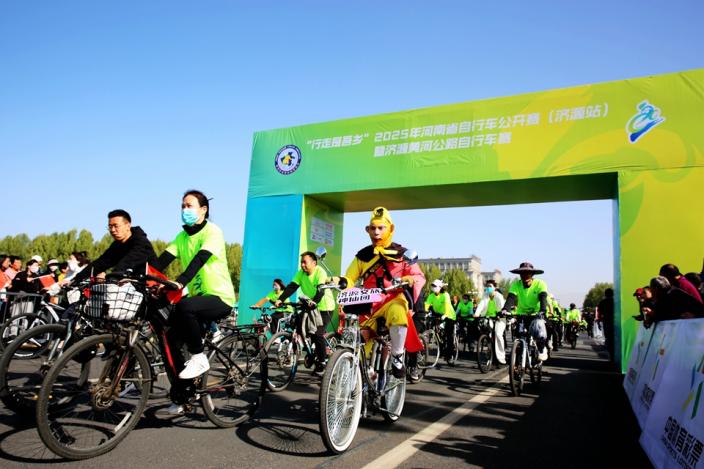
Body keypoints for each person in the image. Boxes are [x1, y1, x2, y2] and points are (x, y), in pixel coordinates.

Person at [152, 190, 236, 385]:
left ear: (203, 209)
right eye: (183, 206)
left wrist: (180, 281)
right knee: (170, 337)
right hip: (199, 299)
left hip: (220, 297)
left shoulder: (213, 231)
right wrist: (138, 275)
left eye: (189, 206)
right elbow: (161, 261)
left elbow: (199, 259)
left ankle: (199, 357)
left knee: (185, 306)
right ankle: (184, 391)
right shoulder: (182, 237)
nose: (185, 209)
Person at [339, 207, 425, 378]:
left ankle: (397, 355)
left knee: (398, 311)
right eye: (373, 228)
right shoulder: (362, 255)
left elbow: (418, 276)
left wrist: (409, 279)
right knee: (358, 341)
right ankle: (360, 376)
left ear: (391, 228)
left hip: (393, 300)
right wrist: (339, 281)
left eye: (380, 228)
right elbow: (349, 278)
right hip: (369, 305)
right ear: (367, 230)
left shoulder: (402, 254)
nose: (376, 232)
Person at [276, 251, 336, 374]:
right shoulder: (301, 273)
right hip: (311, 306)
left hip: (325, 307)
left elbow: (320, 290)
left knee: (317, 334)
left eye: (305, 262)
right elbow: (292, 287)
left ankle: (322, 361)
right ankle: (310, 350)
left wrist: (315, 301)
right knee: (297, 325)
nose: (302, 265)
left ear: (314, 263)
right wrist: (280, 299)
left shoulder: (320, 272)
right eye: (301, 262)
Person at [67, 210, 157, 285]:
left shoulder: (141, 242)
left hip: (149, 287)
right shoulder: (117, 245)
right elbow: (100, 263)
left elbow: (126, 263)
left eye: (116, 226)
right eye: (110, 227)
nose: (113, 230)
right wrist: (75, 280)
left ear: (128, 225)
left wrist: (111, 276)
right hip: (128, 288)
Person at [501, 262, 549, 361]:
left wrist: (543, 310)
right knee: (519, 336)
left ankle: (541, 349)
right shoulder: (516, 284)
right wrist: (505, 309)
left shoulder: (540, 284)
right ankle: (517, 361)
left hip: (537, 314)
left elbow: (543, 298)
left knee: (539, 332)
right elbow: (511, 298)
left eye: (528, 273)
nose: (525, 275)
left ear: (532, 274)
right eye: (522, 273)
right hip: (522, 314)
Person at [474, 279, 506, 365]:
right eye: (487, 286)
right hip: (488, 317)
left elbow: (502, 307)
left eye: (490, 286)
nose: (488, 288)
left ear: (495, 288)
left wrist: (500, 314)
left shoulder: (499, 296)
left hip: (499, 318)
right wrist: (476, 314)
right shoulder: (485, 295)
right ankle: (489, 350)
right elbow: (481, 305)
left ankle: (501, 357)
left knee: (498, 334)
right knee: (485, 331)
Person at [425, 279, 457, 365]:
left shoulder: (445, 295)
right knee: (435, 329)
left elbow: (447, 305)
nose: (433, 287)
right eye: (432, 286)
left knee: (448, 335)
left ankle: (450, 356)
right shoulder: (431, 296)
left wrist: (445, 315)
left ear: (440, 287)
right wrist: (424, 312)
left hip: (449, 315)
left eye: (435, 286)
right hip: (438, 314)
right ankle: (440, 346)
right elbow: (426, 305)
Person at [597, 288, 615, 362]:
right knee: (614, 338)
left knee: (608, 338)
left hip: (607, 322)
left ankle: (611, 355)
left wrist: (599, 322)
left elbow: (599, 313)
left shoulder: (602, 302)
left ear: (605, 294)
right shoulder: (616, 301)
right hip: (615, 322)